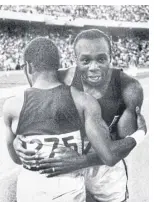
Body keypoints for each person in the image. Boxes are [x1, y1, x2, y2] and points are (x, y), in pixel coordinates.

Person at [11, 32, 146, 202]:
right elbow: (34, 100)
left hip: (102, 165)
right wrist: (20, 137)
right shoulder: (63, 78)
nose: (94, 67)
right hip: (67, 160)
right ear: (75, 59)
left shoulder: (129, 89)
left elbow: (122, 146)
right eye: (86, 60)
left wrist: (82, 161)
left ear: (111, 57)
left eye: (101, 59)